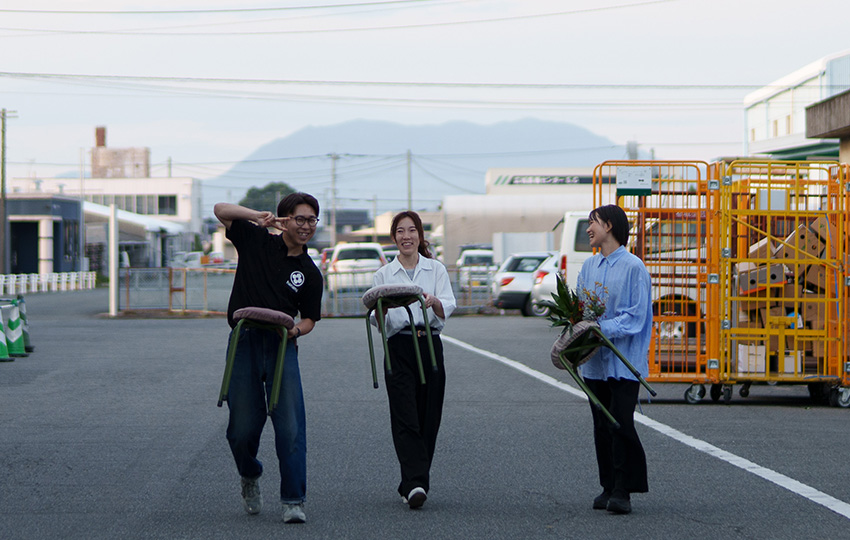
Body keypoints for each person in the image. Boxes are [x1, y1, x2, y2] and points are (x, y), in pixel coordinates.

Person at [214, 193, 323, 524]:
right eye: (299, 219)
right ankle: (250, 473)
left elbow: (310, 318)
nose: (306, 226)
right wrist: (256, 216)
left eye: (312, 220)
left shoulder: (309, 272)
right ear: (284, 220)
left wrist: (295, 331)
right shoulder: (256, 240)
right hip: (245, 340)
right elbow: (220, 210)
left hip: (281, 344)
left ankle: (293, 500)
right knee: (242, 427)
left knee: (291, 425)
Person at [371, 211, 456, 509]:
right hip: (398, 346)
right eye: (400, 231)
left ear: (420, 236)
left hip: (429, 343)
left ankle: (410, 481)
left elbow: (449, 304)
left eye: (411, 230)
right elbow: (375, 316)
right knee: (405, 415)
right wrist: (380, 311)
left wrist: (434, 302)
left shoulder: (435, 269)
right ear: (393, 237)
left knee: (428, 416)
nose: (406, 236)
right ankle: (417, 483)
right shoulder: (384, 274)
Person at [576, 204, 652, 515]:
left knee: (620, 423)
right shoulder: (588, 267)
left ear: (609, 225)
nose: (588, 229)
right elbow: (580, 309)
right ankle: (607, 486)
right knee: (601, 426)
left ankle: (624, 490)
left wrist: (600, 328)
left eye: (592, 222)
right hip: (595, 362)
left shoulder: (634, 267)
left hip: (624, 361)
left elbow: (636, 317)